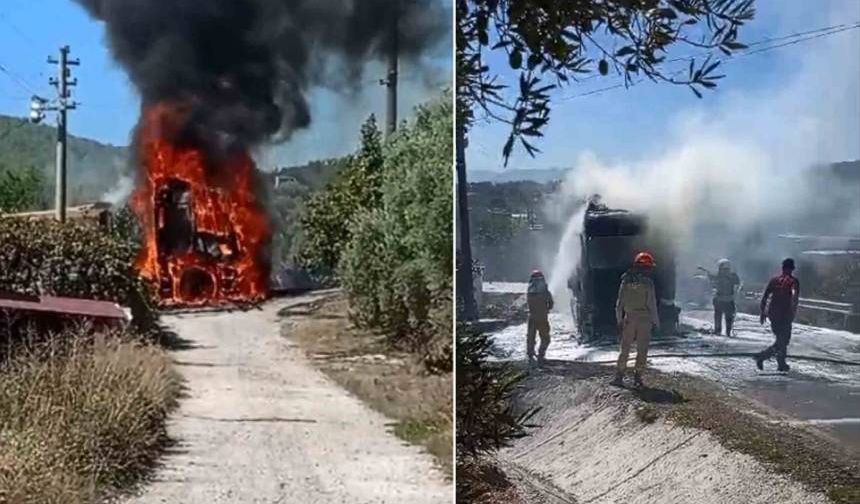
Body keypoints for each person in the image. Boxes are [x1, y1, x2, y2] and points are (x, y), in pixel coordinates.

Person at [612, 252, 660, 388]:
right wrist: (656, 322)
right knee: (642, 349)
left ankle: (619, 377)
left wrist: (619, 320)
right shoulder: (648, 283)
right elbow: (651, 304)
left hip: (629, 319)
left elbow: (619, 303)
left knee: (625, 348)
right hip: (644, 320)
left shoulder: (626, 281)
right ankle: (638, 378)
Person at [755, 258, 801, 372]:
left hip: (773, 314)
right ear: (792, 269)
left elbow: (765, 296)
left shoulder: (774, 280)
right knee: (783, 340)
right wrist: (793, 313)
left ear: (783, 268)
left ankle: (781, 363)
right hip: (785, 315)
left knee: (781, 339)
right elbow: (795, 299)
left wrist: (762, 312)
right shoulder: (793, 281)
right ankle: (763, 356)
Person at [698, 259, 742, 336]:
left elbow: (711, 277)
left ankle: (718, 331)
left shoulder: (719, 275)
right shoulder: (733, 276)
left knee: (719, 316)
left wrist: (704, 271)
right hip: (728, 300)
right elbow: (738, 285)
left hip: (720, 300)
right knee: (728, 317)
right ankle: (727, 332)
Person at [526, 269, 553, 366]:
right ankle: (541, 356)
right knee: (545, 338)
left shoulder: (529, 290)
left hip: (532, 317)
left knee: (531, 337)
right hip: (542, 317)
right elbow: (551, 304)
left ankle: (530, 356)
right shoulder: (544, 291)